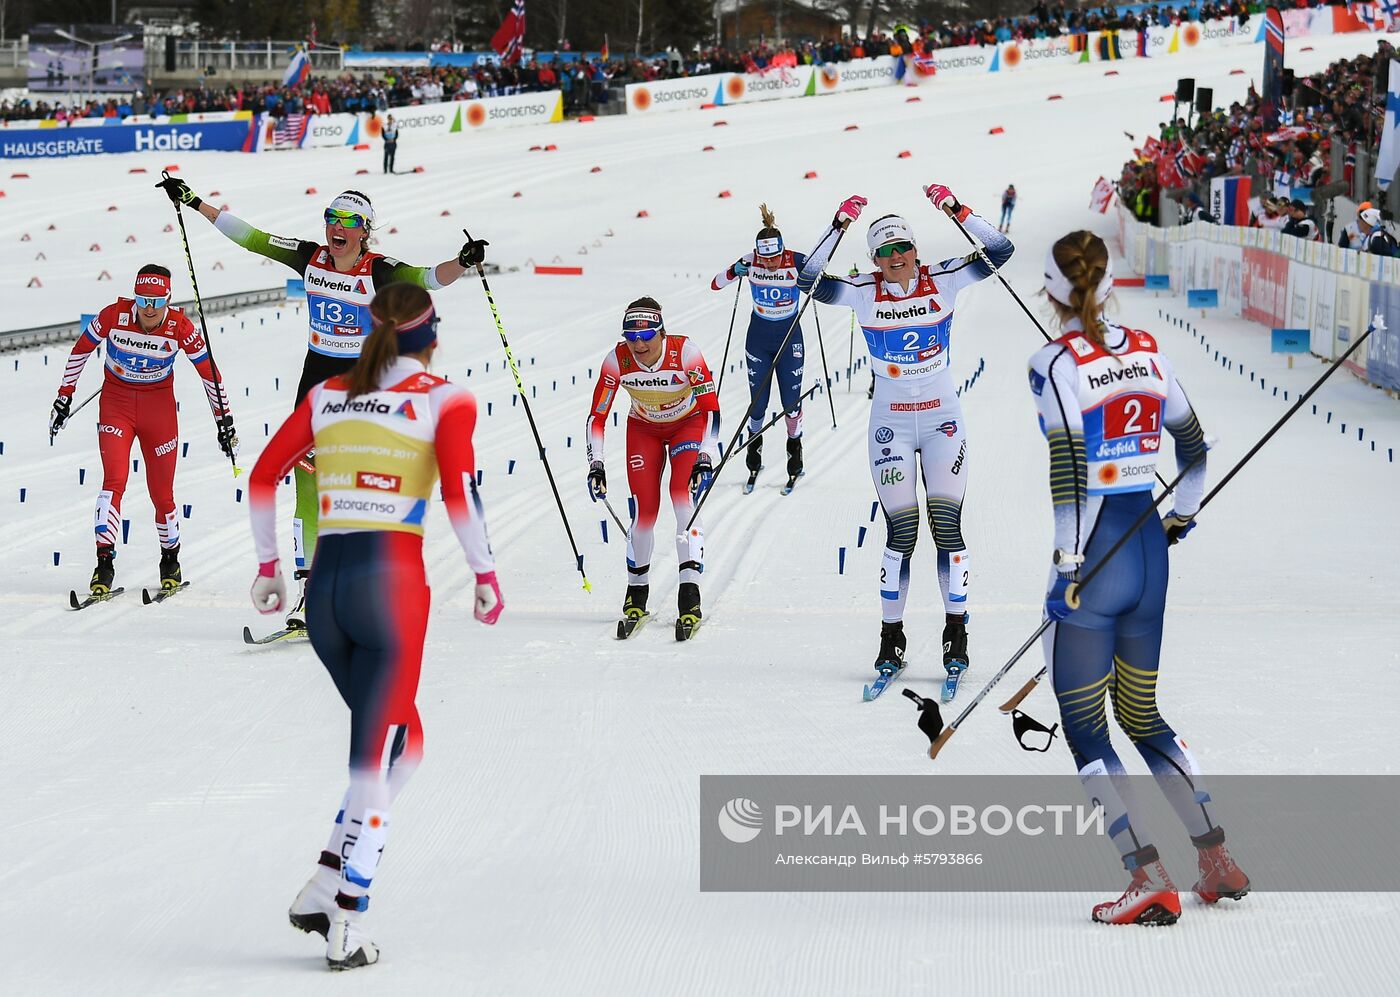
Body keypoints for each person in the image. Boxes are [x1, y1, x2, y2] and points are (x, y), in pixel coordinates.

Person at [247, 283, 503, 970]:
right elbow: (458, 493)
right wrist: (485, 574)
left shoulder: (329, 392)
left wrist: (270, 565)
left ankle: (323, 882)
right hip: (390, 593)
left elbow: (265, 476)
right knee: (373, 760)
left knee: (404, 743)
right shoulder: (446, 398)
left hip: (325, 594)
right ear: (429, 335)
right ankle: (348, 921)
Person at [1028, 230, 1249, 926]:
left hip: (1093, 557)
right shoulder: (1149, 349)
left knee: (1087, 727)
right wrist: (1182, 516)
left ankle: (1146, 876)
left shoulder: (1052, 361)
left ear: (1051, 291)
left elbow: (1067, 466)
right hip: (1149, 549)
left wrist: (1067, 565)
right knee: (1143, 714)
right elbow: (1193, 445)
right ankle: (1216, 859)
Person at [156, 175, 485, 630]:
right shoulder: (309, 256)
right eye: (331, 216)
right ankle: (311, 590)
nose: (337, 226)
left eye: (348, 220)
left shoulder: (378, 269)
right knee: (307, 484)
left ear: (364, 230)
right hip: (316, 380)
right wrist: (195, 203)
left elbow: (427, 278)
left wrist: (463, 262)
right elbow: (251, 238)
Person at [798, 184, 1013, 695]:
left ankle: (955, 639)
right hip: (891, 423)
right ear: (873, 257)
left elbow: (1001, 251)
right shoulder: (862, 291)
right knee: (902, 532)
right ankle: (890, 640)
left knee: (946, 527)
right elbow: (808, 279)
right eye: (884, 251)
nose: (895, 259)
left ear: (916, 250)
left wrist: (957, 209)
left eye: (902, 248)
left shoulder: (945, 279)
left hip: (942, 422)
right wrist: (838, 225)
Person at [49, 265, 238, 595]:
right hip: (117, 405)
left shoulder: (180, 326)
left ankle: (170, 560)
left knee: (162, 494)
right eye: (142, 299)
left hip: (158, 410)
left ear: (168, 299)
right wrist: (64, 397)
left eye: (156, 301)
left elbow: (209, 372)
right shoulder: (113, 316)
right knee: (114, 481)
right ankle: (103, 564)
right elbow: (79, 351)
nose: (148, 309)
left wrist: (225, 421)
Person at [585, 297, 721, 637]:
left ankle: (689, 594)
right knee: (644, 511)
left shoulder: (685, 352)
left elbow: (711, 409)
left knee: (680, 495)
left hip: (686, 426)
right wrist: (596, 464)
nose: (639, 344)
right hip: (643, 429)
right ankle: (636, 594)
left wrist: (705, 455)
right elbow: (596, 416)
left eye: (646, 335)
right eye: (631, 336)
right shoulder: (617, 359)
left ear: (661, 331)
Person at [710, 204, 808, 489]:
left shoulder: (796, 260)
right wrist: (734, 271)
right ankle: (754, 455)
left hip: (789, 338)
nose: (769, 264)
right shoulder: (750, 260)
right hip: (759, 336)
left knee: (791, 401)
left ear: (782, 250)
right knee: (758, 403)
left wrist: (812, 277)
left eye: (774, 258)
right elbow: (716, 285)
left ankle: (795, 452)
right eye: (764, 259)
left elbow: (823, 280)